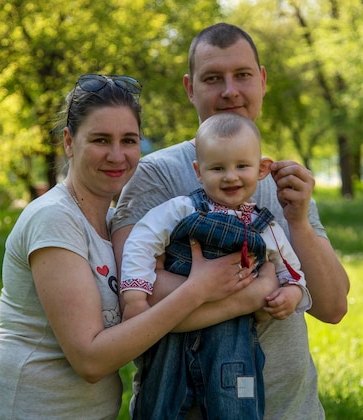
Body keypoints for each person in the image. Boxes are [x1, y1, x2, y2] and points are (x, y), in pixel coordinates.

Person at [0, 74, 257, 420]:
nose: (117, 155)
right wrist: (196, 290)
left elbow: (151, 322)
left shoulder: (111, 223)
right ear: (68, 142)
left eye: (129, 140)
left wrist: (252, 297)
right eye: (101, 140)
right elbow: (90, 360)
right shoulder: (54, 219)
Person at [111, 23, 350, 419]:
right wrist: (256, 292)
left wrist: (299, 221)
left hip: (292, 409)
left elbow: (332, 307)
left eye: (242, 75)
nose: (229, 91)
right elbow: (137, 292)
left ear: (262, 80)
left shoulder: (280, 179)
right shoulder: (156, 174)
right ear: (190, 88)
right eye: (212, 78)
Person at [120, 112, 312, 418]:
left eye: (242, 166)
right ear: (199, 172)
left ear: (262, 169)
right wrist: (135, 296)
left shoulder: (266, 227)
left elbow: (291, 270)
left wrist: (291, 294)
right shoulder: (182, 209)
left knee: (239, 403)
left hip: (234, 348)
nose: (230, 176)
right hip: (172, 342)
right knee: (161, 405)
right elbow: (142, 241)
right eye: (218, 168)